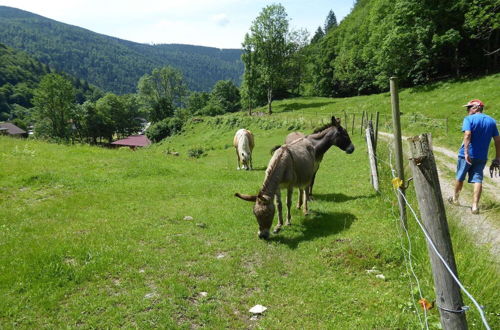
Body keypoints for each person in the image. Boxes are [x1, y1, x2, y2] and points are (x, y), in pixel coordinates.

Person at [448, 99, 500, 214]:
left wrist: (466, 152)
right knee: (478, 179)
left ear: (476, 107)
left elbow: (467, 134)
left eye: (469, 107)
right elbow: (497, 140)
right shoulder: (491, 121)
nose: (467, 110)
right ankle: (475, 206)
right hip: (481, 156)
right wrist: (497, 157)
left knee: (460, 176)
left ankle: (455, 199)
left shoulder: (469, 119)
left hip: (466, 155)